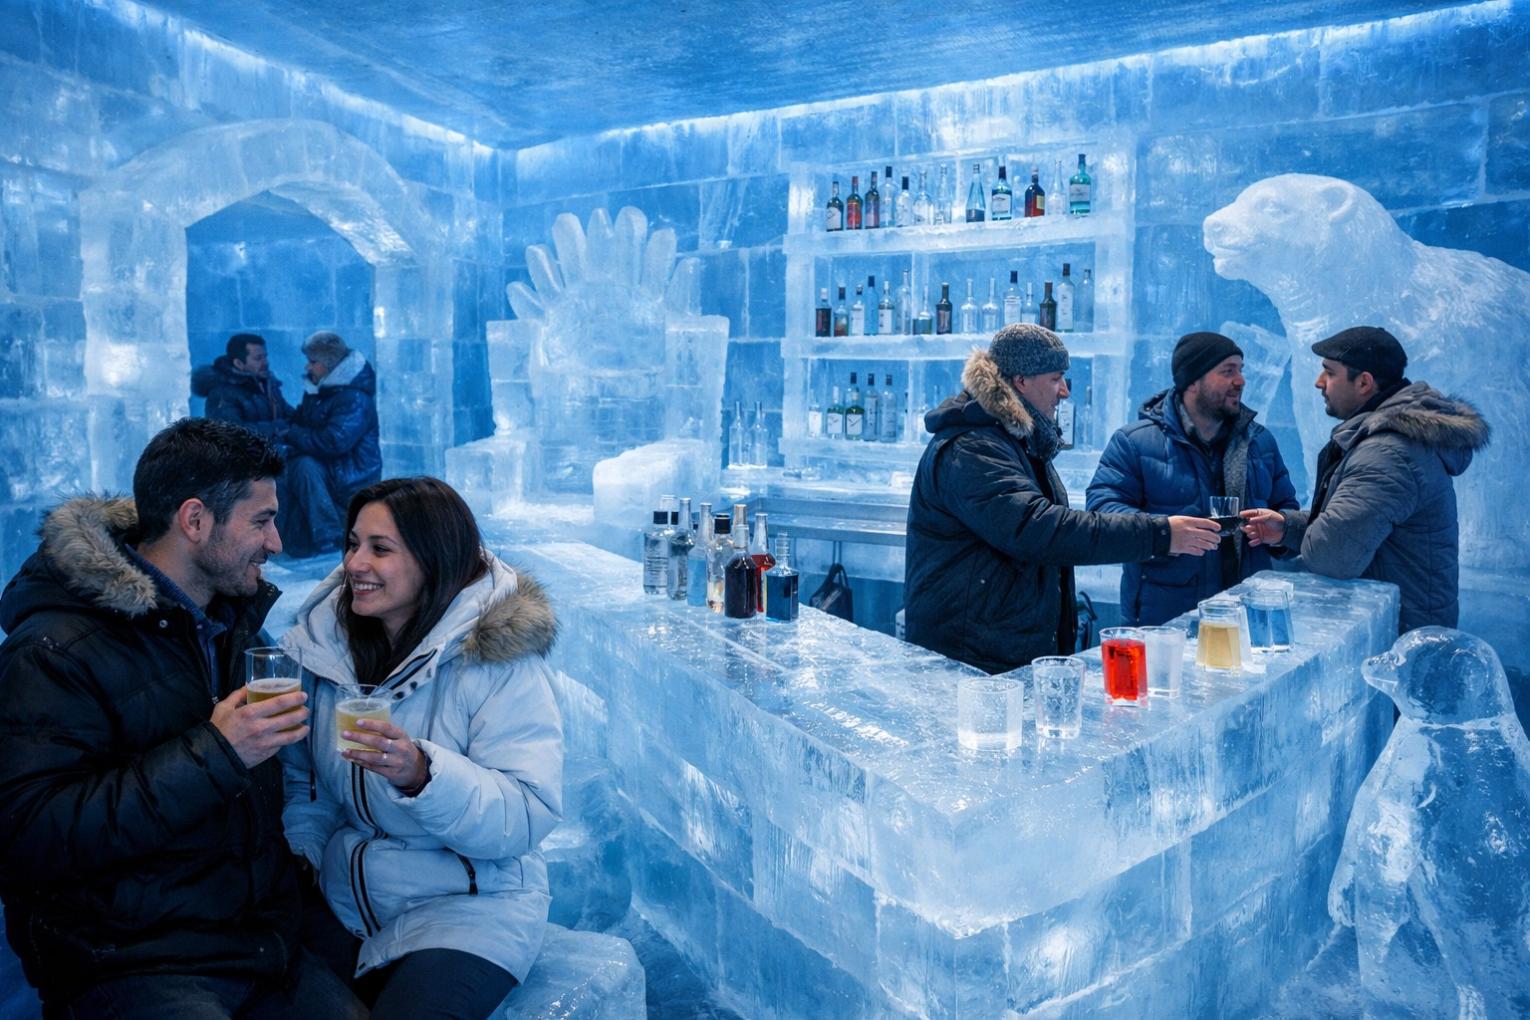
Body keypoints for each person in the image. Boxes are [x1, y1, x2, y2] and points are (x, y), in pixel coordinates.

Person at [0, 419, 363, 1018]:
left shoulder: (235, 626)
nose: (277, 543)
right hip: (131, 961)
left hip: (258, 944)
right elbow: (28, 838)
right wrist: (217, 753)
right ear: (195, 521)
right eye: (262, 520)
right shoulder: (54, 651)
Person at [280, 476, 563, 1019]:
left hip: (469, 912)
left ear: (432, 560)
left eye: (380, 549)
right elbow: (306, 786)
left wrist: (422, 774)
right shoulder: (323, 652)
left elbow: (528, 813)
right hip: (346, 902)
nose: (355, 564)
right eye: (353, 543)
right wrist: (303, 853)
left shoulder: (497, 663)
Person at [904, 325, 1223, 673]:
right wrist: (1159, 534)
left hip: (1002, 650)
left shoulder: (1017, 441)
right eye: (1056, 378)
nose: (1065, 391)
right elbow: (1039, 529)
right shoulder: (972, 448)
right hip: (971, 661)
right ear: (1021, 381)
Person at [1243, 326, 1489, 632]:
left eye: (1329, 373)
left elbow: (1332, 555)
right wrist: (1287, 528)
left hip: (1397, 645)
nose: (1319, 383)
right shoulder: (1396, 443)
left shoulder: (1387, 454)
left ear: (1364, 382)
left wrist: (1300, 535)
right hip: (1402, 629)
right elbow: (1361, 530)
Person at [1086, 331, 1299, 625]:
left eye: (1241, 370)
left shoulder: (1260, 443)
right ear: (1193, 381)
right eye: (1228, 371)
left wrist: (1282, 531)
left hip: (1246, 622)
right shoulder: (1133, 443)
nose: (1241, 381)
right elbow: (1101, 514)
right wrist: (1163, 533)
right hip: (1164, 625)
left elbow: (1288, 511)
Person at [277, 330, 382, 558]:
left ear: (330, 364)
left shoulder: (355, 398)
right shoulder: (321, 391)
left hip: (351, 478)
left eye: (313, 362)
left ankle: (329, 537)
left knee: (304, 465)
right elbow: (304, 423)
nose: (308, 367)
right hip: (333, 473)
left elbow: (334, 441)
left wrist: (292, 434)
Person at [191, 332, 293, 437]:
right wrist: (274, 428)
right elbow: (230, 433)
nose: (266, 362)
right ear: (238, 363)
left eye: (265, 356)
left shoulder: (267, 384)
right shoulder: (222, 394)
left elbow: (287, 413)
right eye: (258, 358)